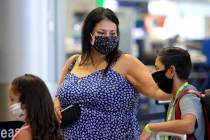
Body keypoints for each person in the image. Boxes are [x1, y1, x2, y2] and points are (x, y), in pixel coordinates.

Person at [54, 7, 170, 140]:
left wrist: (184, 90)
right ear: (89, 34)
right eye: (102, 33)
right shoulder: (73, 62)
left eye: (113, 33)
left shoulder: (125, 62)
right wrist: (56, 105)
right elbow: (59, 95)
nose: (108, 38)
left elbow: (156, 91)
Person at [140, 47, 205, 140]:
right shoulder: (176, 95)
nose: (156, 74)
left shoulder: (188, 96)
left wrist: (150, 127)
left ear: (171, 71)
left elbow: (188, 125)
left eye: (157, 69)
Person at [9, 74, 63, 140]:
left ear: (26, 103)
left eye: (12, 99)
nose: (10, 104)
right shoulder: (50, 129)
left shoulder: (25, 134)